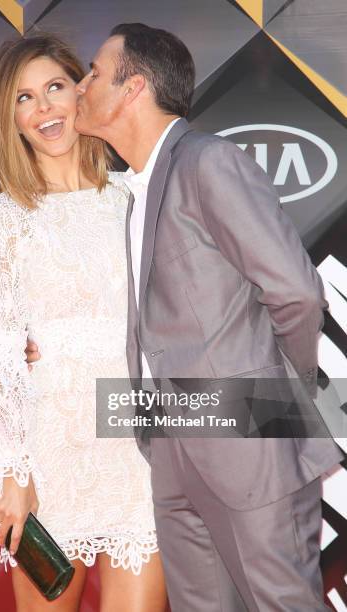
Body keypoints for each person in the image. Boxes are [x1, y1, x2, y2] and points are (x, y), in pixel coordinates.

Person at [68, 22, 343, 612]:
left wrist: (272, 399)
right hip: (169, 443)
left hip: (250, 442)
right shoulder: (132, 193)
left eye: (94, 72)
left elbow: (296, 292)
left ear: (133, 87)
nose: (81, 85)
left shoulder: (208, 162)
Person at [0, 33, 166, 612]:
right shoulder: (3, 223)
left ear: (82, 94)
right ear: (12, 120)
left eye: (54, 87)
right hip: (50, 458)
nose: (44, 108)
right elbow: (2, 361)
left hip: (139, 452)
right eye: (24, 99)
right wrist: (14, 470)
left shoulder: (136, 199)